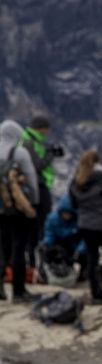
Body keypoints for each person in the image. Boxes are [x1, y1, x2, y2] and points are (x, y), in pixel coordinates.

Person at [68, 149, 102, 303]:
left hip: (85, 225)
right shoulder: (101, 180)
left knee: (92, 258)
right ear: (98, 163)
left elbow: (73, 204)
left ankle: (96, 294)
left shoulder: (75, 182)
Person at [1, 119, 42, 302]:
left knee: (1, 247)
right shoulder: (19, 152)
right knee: (19, 247)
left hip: (0, 206)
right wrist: (33, 203)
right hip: (17, 207)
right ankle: (18, 291)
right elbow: (31, 179)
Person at [21, 115, 60, 275]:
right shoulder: (29, 143)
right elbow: (38, 164)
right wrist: (50, 154)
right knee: (39, 226)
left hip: (36, 187)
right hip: (37, 188)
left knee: (35, 228)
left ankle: (34, 260)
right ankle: (36, 262)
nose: (47, 132)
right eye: (46, 129)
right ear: (40, 128)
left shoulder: (32, 141)